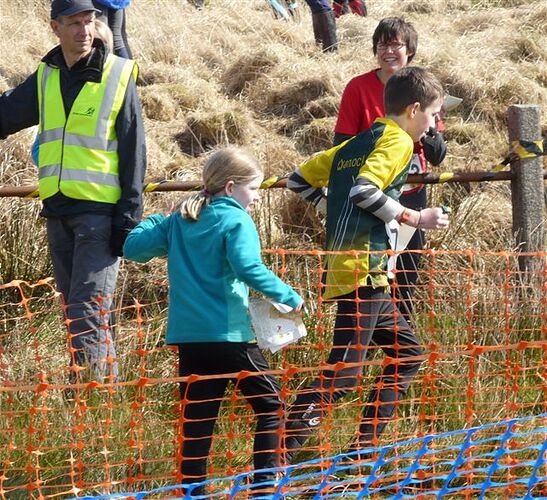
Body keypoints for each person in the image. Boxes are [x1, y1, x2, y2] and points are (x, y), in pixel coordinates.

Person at [284, 66, 450, 462]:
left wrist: (332, 208)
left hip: (355, 266)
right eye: (432, 114)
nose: (432, 125)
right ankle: (277, 454)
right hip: (365, 267)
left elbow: (297, 179)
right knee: (343, 374)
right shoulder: (396, 142)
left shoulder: (360, 141)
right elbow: (363, 190)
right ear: (413, 109)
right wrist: (415, 218)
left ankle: (361, 451)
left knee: (407, 356)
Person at [123, 147, 304, 495]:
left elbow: (132, 248)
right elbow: (248, 267)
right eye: (253, 189)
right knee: (271, 405)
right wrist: (289, 296)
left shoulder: (180, 220)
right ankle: (265, 488)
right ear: (232, 186)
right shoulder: (235, 219)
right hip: (229, 335)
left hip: (189, 339)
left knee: (198, 421)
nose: (255, 197)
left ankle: (193, 492)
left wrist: (159, 218)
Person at [0, 0, 147, 384]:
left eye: (89, 21)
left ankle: (88, 399)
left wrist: (129, 217)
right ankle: (100, 399)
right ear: (55, 27)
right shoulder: (46, 76)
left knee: (87, 312)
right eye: (74, 23)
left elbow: (135, 150)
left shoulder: (117, 74)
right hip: (58, 213)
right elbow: (5, 115)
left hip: (101, 215)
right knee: (77, 313)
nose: (84, 30)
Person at [333, 17, 448, 320]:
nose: (389, 51)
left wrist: (429, 130)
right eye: (383, 44)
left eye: (396, 44)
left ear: (410, 50)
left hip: (412, 191)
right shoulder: (358, 88)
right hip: (374, 192)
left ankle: (399, 342)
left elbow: (439, 154)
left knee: (406, 273)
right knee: (373, 270)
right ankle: (369, 341)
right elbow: (341, 143)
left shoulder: (425, 89)